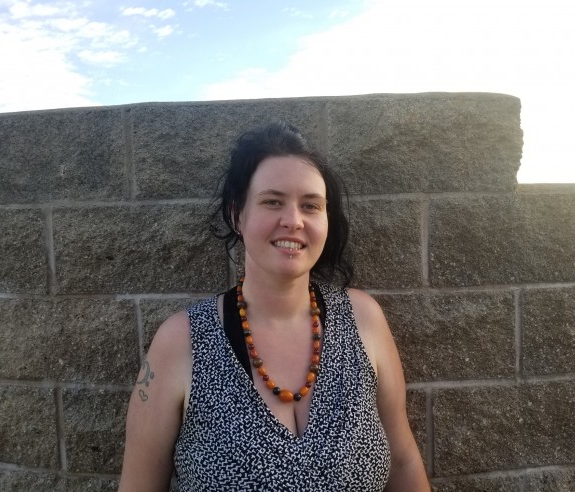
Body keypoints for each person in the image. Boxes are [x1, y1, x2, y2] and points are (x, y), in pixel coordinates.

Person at [119, 122, 430, 491]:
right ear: (237, 214)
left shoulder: (364, 320)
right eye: (272, 201)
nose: (293, 221)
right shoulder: (181, 342)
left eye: (311, 205)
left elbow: (403, 462)